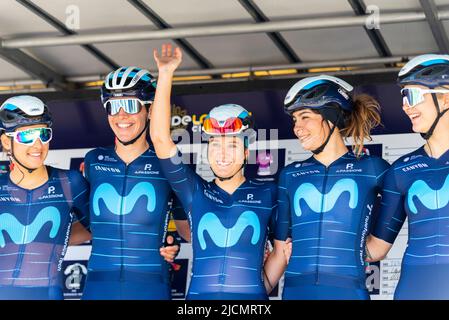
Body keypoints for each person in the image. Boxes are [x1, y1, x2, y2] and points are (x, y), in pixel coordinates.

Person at [150, 43, 277, 300]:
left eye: (231, 145)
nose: (221, 153)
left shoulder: (270, 193)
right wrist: (165, 75)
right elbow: (161, 141)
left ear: (245, 151)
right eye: (214, 144)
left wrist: (258, 291)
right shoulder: (195, 191)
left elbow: (284, 249)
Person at [264, 75, 390, 300]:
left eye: (304, 117)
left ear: (331, 116)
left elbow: (380, 246)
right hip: (295, 292)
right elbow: (281, 252)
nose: (297, 128)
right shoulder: (290, 175)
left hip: (348, 292)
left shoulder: (372, 168)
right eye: (294, 119)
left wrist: (356, 245)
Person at [81, 66, 190, 300]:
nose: (121, 116)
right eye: (113, 106)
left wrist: (172, 243)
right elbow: (85, 224)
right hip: (98, 286)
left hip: (150, 286)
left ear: (150, 110)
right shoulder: (93, 160)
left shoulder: (168, 164)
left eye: (131, 106)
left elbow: (186, 228)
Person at [367, 54, 449, 300]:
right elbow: (375, 249)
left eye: (412, 96)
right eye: (403, 97)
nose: (405, 106)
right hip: (414, 289)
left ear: (445, 98)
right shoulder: (401, 170)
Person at [0, 95, 90, 300]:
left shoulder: (70, 181)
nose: (37, 144)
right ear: (6, 141)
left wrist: (162, 244)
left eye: (43, 133)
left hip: (48, 294)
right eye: (27, 136)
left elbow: (106, 229)